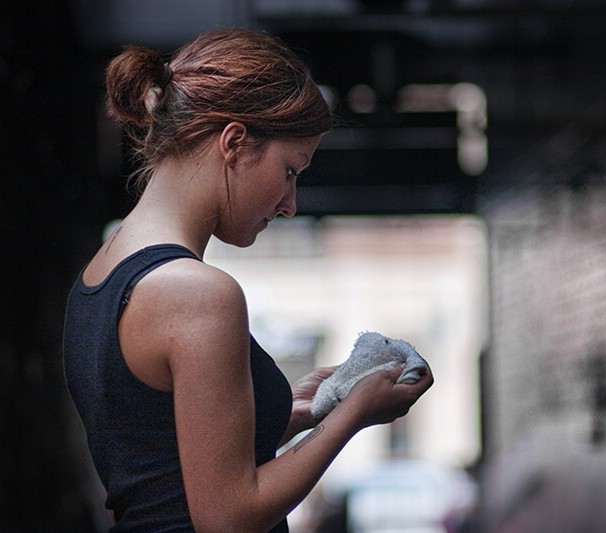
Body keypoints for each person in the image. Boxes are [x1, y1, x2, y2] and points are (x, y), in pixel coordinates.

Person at [62, 28, 433, 533]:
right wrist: (352, 417)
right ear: (234, 142)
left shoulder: (99, 276)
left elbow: (164, 465)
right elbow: (228, 518)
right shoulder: (197, 293)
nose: (290, 205)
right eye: (290, 170)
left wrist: (300, 411)